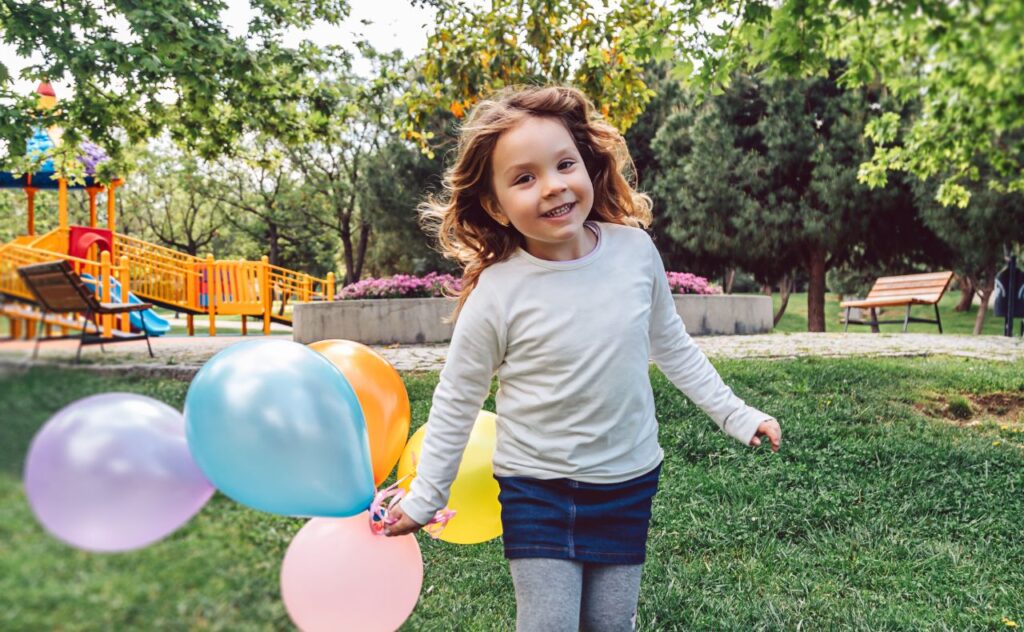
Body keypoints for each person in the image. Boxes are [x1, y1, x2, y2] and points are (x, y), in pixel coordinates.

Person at [384, 85, 782, 631]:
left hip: (628, 480)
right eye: (524, 178)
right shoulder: (498, 294)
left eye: (563, 164)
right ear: (496, 204)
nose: (552, 187)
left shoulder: (634, 252)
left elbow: (673, 346)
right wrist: (426, 496)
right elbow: (457, 400)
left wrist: (738, 415)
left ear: (587, 167)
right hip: (538, 488)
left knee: (610, 625)